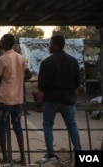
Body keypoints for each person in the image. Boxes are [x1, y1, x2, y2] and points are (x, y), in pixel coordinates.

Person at [38, 35, 82, 163]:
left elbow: (41, 86)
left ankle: (51, 153)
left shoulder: (46, 63)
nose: (49, 46)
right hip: (68, 99)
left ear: (55, 44)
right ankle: (79, 153)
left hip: (51, 99)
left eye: (50, 43)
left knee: (47, 125)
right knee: (72, 125)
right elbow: (77, 83)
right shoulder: (73, 61)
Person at [0, 34, 32, 165]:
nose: (0, 43)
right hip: (17, 98)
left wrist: (8, 80)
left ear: (6, 44)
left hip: (4, 98)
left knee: (2, 127)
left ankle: (5, 158)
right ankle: (23, 158)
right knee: (18, 127)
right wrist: (19, 80)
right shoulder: (21, 58)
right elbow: (28, 74)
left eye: (1, 41)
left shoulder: (1, 59)